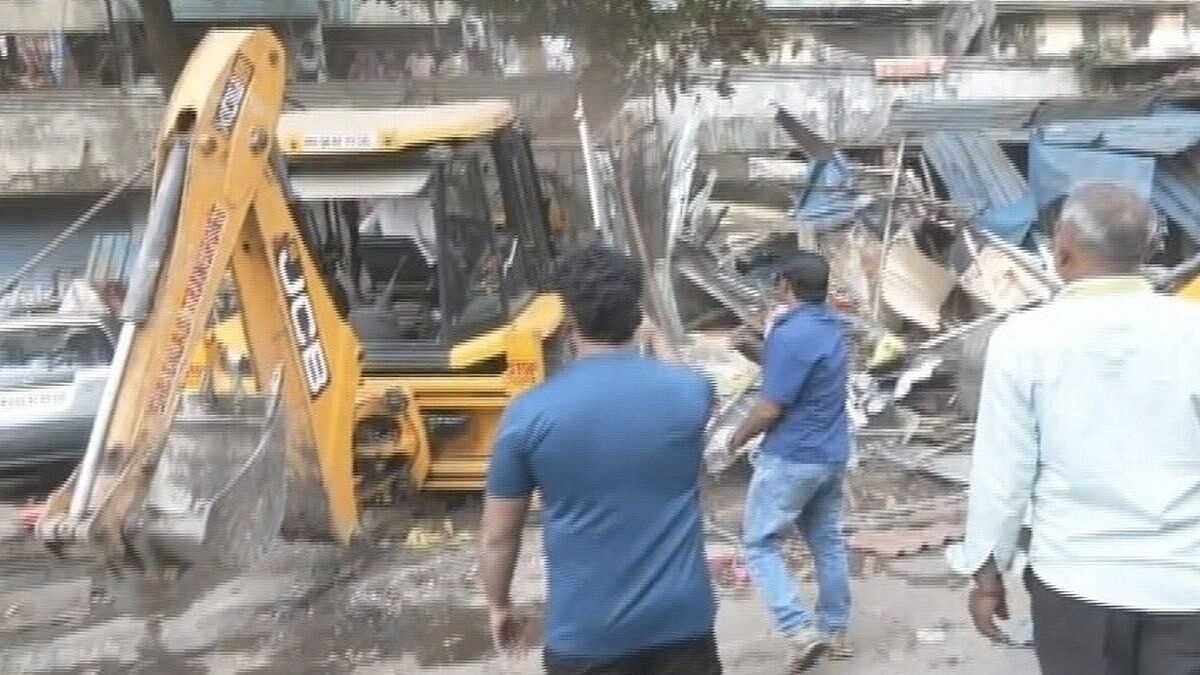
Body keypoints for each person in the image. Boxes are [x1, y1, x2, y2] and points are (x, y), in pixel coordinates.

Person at [949, 182, 1200, 673]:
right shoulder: (1193, 330)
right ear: (1151, 249)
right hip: (1187, 584)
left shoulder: (1023, 340)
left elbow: (1003, 473)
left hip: (1078, 585)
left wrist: (986, 574)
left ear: (1061, 252)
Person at [481, 242, 721, 674]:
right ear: (636, 314)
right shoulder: (690, 394)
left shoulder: (529, 414)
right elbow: (686, 379)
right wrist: (657, 337)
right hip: (684, 627)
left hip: (587, 638)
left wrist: (500, 605)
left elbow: (499, 537)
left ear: (568, 319)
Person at [725, 251, 853, 671]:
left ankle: (799, 630)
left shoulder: (788, 332)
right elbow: (802, 372)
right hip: (831, 454)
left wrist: (734, 440)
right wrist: (757, 351)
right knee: (826, 541)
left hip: (792, 456)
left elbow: (769, 408)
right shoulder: (833, 327)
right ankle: (833, 631)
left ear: (785, 286)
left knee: (760, 544)